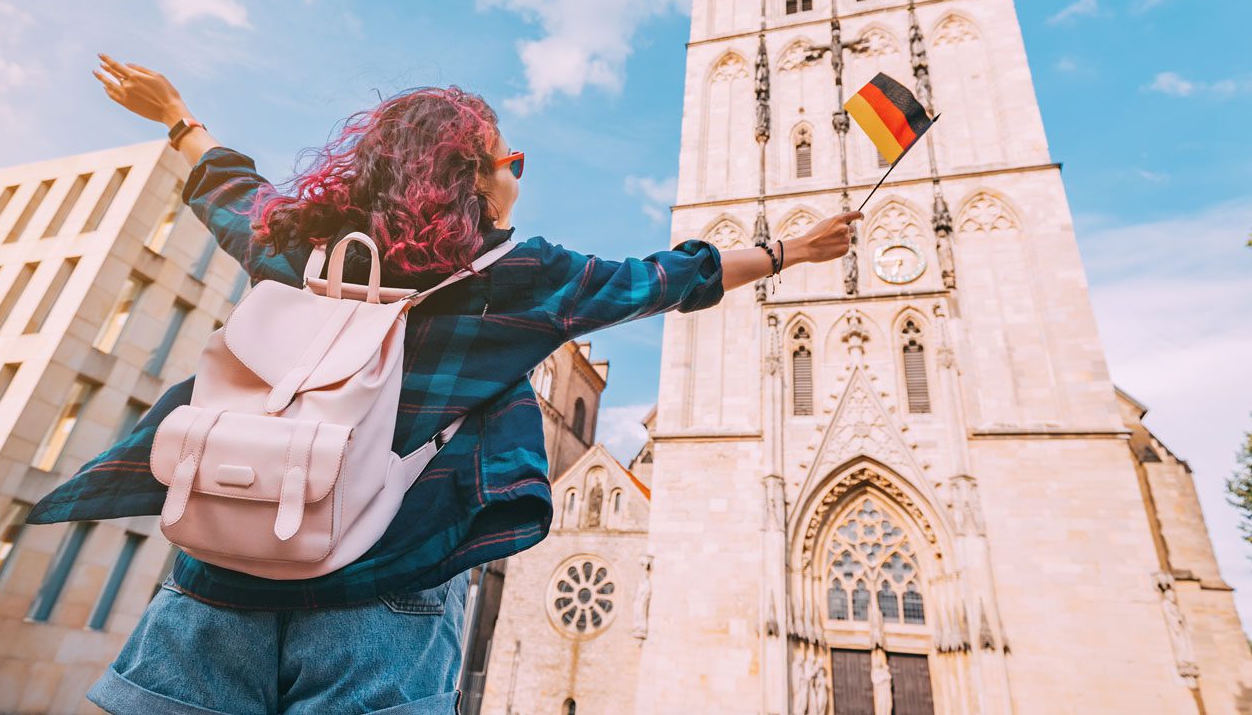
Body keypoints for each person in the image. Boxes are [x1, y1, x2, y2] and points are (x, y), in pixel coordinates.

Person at [53, 53, 861, 714]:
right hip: (385, 591)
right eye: (512, 159)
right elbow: (663, 279)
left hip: (218, 579)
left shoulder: (303, 243)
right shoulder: (522, 279)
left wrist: (178, 120)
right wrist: (790, 252)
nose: (519, 173)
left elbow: (231, 194)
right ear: (473, 178)